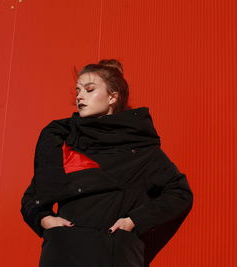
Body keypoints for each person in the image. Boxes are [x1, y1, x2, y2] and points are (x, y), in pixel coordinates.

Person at [20, 59, 193, 267]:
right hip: (63, 253)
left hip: (112, 255)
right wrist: (46, 220)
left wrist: (134, 221)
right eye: (77, 90)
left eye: (89, 89)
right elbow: (33, 197)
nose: (79, 96)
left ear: (113, 97)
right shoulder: (65, 145)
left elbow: (180, 193)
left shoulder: (140, 150)